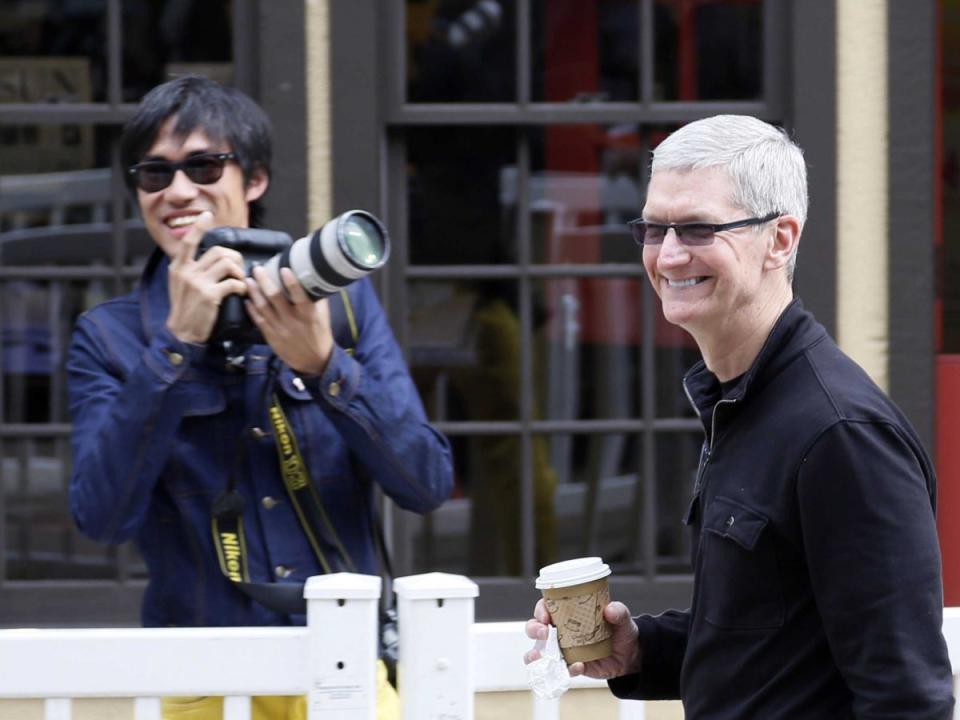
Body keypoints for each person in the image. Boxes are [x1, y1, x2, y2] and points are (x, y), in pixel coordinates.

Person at [524, 114, 955, 718]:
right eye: (654, 228)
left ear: (780, 239)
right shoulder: (741, 400)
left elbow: (907, 699)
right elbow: (765, 640)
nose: (668, 255)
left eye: (698, 228)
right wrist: (638, 648)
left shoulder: (842, 435)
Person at [67, 75, 454, 719]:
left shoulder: (340, 306)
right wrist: (174, 348)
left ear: (255, 180)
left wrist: (324, 365)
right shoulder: (109, 337)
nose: (179, 190)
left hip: (344, 665)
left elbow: (428, 482)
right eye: (154, 174)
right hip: (202, 674)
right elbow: (101, 518)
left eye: (204, 165)